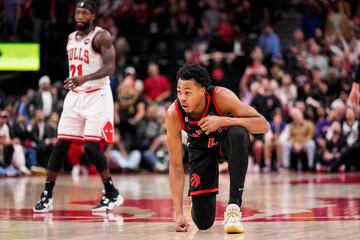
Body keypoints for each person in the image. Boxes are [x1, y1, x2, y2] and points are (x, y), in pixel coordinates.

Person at [33, 0, 122, 212]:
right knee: (60, 144)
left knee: (91, 146)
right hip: (75, 96)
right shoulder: (71, 38)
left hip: (97, 95)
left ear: (93, 16)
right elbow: (78, 66)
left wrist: (84, 78)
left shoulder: (102, 36)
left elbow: (110, 68)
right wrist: (75, 80)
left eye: (84, 13)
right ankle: (47, 195)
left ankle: (111, 192)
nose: (79, 17)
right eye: (77, 13)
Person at [165, 64, 269, 233]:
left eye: (188, 92)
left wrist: (223, 121)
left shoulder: (221, 97)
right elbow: (176, 166)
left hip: (224, 143)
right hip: (200, 150)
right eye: (179, 91)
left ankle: (234, 208)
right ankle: (196, 204)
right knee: (203, 223)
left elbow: (263, 125)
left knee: (239, 133)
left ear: (202, 91)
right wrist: (178, 214)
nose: (182, 97)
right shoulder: (174, 114)